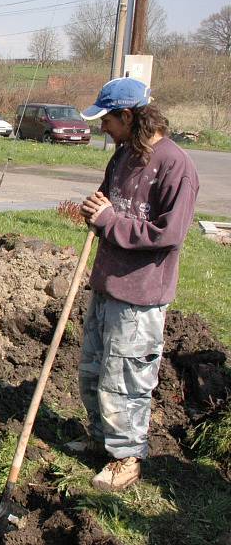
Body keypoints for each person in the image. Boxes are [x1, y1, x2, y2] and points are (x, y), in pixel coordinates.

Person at [74, 77, 199, 491]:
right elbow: (107, 202)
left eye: (107, 119)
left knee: (125, 378)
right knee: (93, 370)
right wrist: (94, 209)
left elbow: (169, 233)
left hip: (141, 293)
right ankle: (101, 443)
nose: (102, 128)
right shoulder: (124, 155)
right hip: (107, 283)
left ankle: (126, 458)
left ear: (128, 116)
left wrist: (110, 220)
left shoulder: (175, 165)